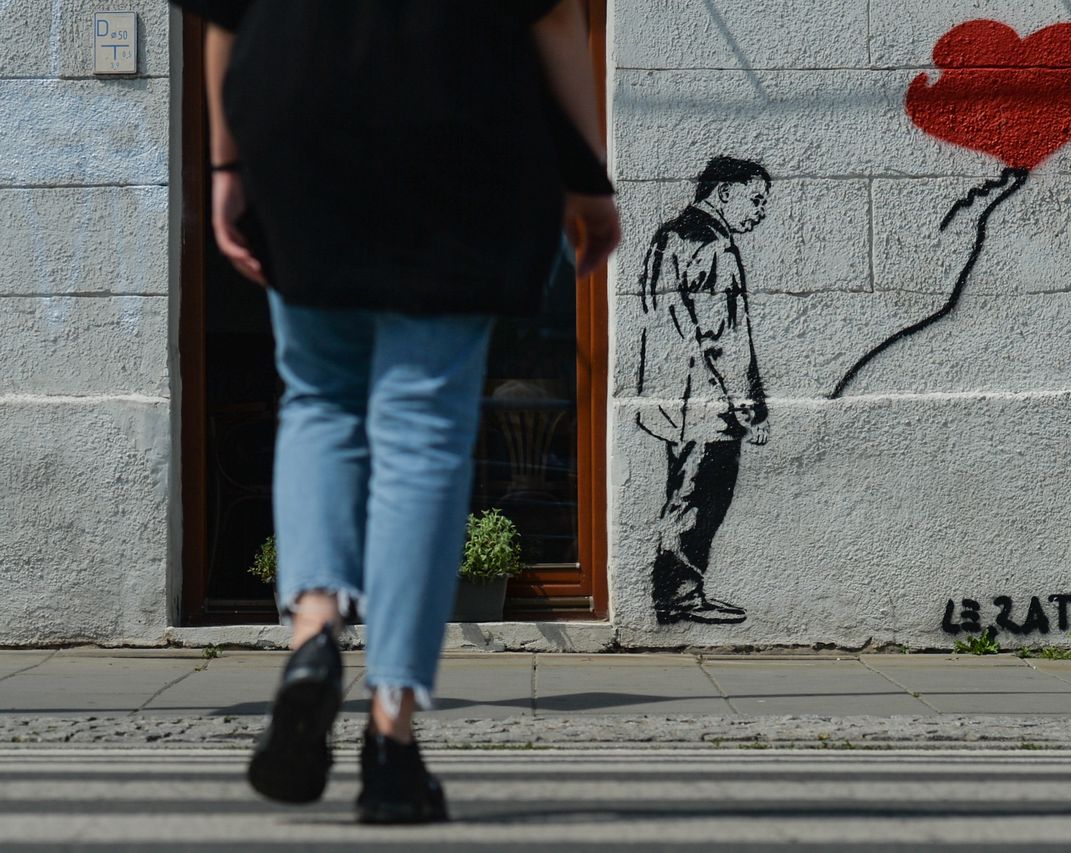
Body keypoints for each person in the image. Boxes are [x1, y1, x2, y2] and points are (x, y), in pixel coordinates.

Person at [174, 0, 620, 824]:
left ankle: (313, 630)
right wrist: (587, 177)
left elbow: (222, 16)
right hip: (458, 117)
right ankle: (391, 740)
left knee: (317, 396)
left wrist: (227, 166)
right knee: (423, 430)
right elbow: (555, 19)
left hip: (296, 108)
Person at [634, 157, 771, 626]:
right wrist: (750, 408)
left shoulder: (668, 237)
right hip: (709, 403)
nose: (760, 212)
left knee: (683, 492)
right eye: (755, 200)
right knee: (702, 497)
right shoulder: (715, 247)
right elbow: (724, 337)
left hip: (673, 397)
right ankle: (679, 593)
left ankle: (675, 591)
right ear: (724, 192)